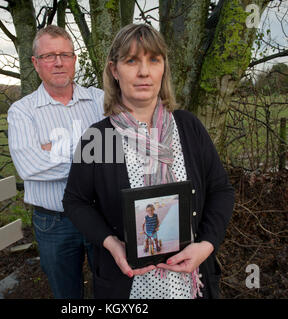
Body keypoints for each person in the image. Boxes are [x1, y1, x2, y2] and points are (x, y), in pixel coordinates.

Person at [63, 24, 234, 299]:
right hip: (128, 285)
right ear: (114, 70)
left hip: (189, 281)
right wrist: (112, 244)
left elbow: (221, 191)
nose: (144, 72)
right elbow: (75, 201)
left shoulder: (189, 127)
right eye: (131, 61)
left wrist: (206, 245)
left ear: (163, 67)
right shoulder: (97, 137)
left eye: (153, 60)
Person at [7, 25, 104, 299]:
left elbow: (120, 150)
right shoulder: (23, 111)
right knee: (66, 294)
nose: (58, 62)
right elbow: (30, 166)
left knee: (112, 288)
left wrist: (54, 149)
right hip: (54, 221)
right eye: (49, 56)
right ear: (36, 64)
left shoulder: (100, 100)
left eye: (65, 54)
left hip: (102, 213)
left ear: (74, 59)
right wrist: (93, 154)